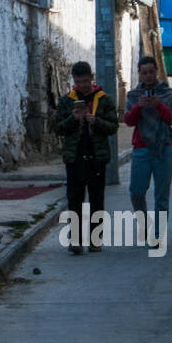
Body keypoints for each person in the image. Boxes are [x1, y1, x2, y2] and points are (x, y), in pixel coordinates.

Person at [53, 61, 119, 254]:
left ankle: (95, 240)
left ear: (92, 77)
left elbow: (113, 126)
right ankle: (75, 240)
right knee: (74, 199)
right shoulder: (67, 101)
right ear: (74, 80)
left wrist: (95, 120)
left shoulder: (104, 99)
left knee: (97, 198)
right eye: (78, 81)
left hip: (97, 156)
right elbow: (58, 128)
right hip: (74, 156)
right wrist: (73, 118)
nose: (82, 85)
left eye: (85, 81)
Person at [124, 55, 172, 247]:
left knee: (162, 195)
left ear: (156, 71)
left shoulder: (168, 94)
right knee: (136, 192)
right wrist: (139, 107)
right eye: (143, 73)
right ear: (139, 74)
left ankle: (157, 235)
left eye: (151, 72)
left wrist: (159, 106)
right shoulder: (133, 95)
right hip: (141, 149)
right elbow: (129, 121)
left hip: (164, 148)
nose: (148, 76)